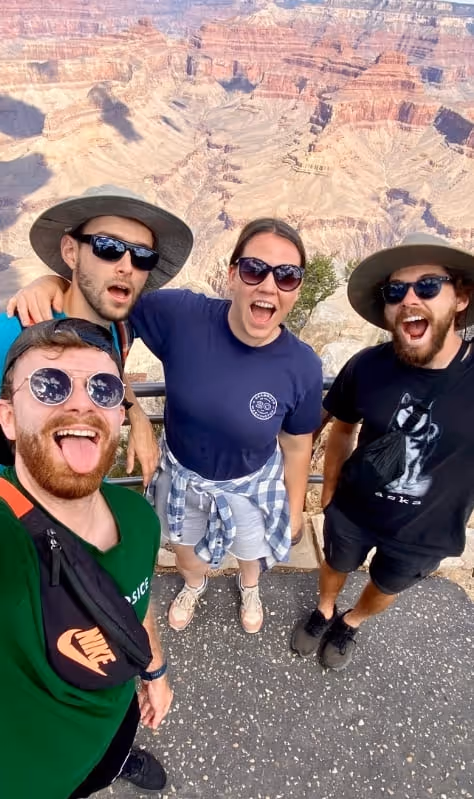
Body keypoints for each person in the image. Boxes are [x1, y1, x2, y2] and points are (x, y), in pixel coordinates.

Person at [9, 218, 323, 635]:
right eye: (254, 269)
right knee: (185, 549)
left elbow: (298, 445)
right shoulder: (180, 316)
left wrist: (295, 505)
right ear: (232, 275)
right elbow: (102, 296)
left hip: (252, 481)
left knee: (252, 549)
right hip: (182, 477)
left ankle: (250, 587)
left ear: (297, 289)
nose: (268, 285)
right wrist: (51, 283)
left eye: (287, 276)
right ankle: (194, 585)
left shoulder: (302, 365)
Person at [0, 318, 173, 798]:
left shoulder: (138, 520)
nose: (80, 402)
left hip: (116, 715)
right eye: (49, 386)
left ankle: (116, 766)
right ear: (8, 418)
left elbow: (138, 606)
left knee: (107, 766)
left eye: (102, 388)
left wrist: (154, 674)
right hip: (33, 783)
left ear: (120, 413)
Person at [291, 232, 474, 670]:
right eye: (396, 290)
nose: (410, 299)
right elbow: (341, 427)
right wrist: (330, 490)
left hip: (426, 534)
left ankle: (351, 621)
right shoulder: (368, 365)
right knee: (335, 564)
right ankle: (326, 609)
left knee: (385, 587)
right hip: (352, 510)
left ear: (461, 298)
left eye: (428, 286)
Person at [1, 184, 193, 485]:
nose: (126, 266)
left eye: (142, 256)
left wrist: (136, 414)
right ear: (71, 252)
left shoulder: (113, 332)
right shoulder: (14, 332)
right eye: (109, 248)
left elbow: (103, 367)